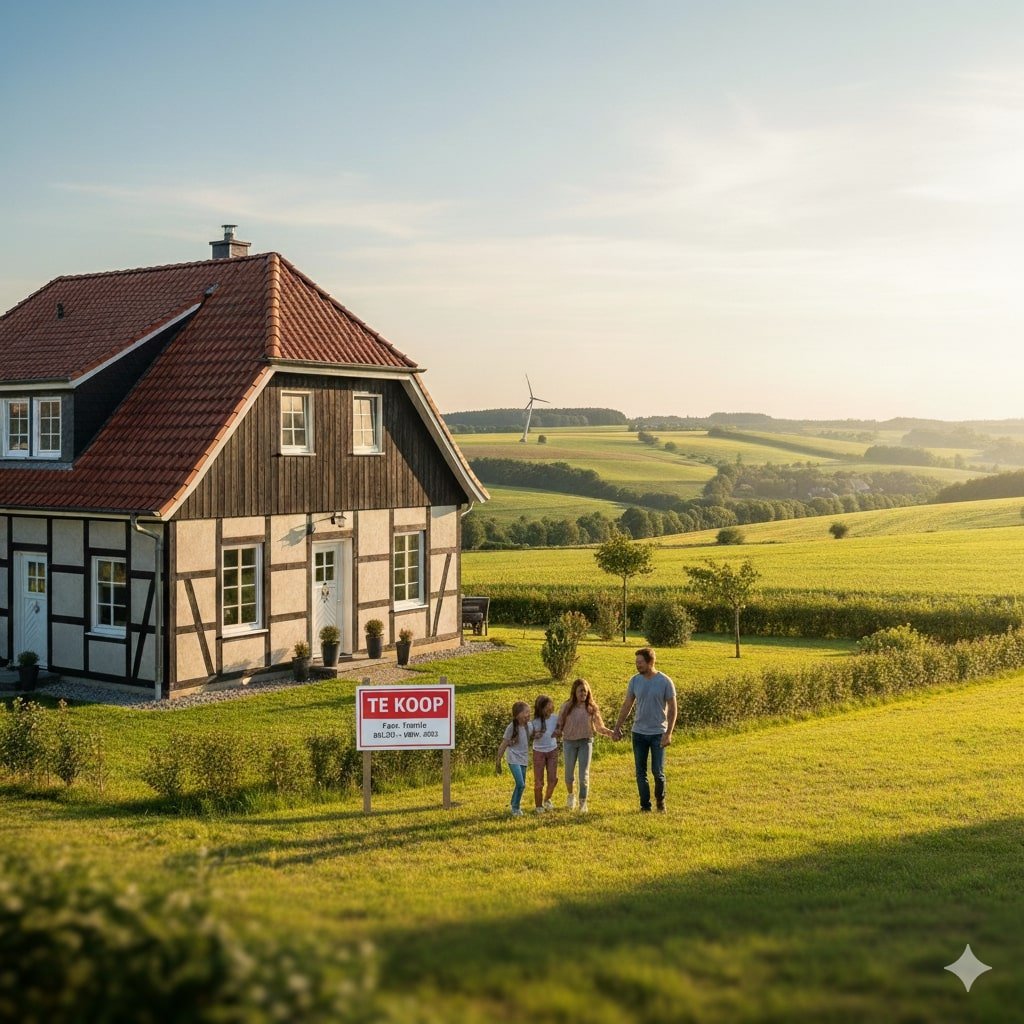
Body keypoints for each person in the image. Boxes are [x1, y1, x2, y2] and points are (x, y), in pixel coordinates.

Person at [612, 647, 677, 813]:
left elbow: (673, 708)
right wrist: (617, 727)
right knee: (640, 772)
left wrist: (668, 733)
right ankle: (645, 806)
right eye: (636, 663)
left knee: (657, 771)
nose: (637, 665)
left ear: (650, 662)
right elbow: (627, 704)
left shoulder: (665, 681)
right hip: (639, 733)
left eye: (640, 662)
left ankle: (660, 802)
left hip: (658, 733)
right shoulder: (634, 681)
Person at [556, 678, 613, 813]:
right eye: (581, 691)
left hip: (585, 742)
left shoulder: (592, 708)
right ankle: (571, 796)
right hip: (569, 742)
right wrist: (556, 732)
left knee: (584, 775)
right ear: (574, 692)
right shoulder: (566, 707)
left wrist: (610, 733)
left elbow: (599, 727)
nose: (583, 694)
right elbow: (559, 724)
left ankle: (583, 803)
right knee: (569, 775)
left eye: (586, 692)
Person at [495, 700, 532, 816]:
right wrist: (498, 761)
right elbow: (504, 744)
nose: (529, 714)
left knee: (520, 784)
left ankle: (513, 802)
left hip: (524, 758)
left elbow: (536, 736)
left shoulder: (529, 726)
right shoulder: (511, 727)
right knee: (521, 784)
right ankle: (515, 808)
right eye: (526, 712)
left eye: (529, 712)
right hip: (513, 758)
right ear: (518, 715)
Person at [530, 694, 559, 813]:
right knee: (539, 781)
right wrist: (534, 735)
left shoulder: (555, 718)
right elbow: (529, 735)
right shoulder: (534, 722)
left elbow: (560, 729)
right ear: (540, 709)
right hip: (539, 752)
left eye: (550, 705)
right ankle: (538, 805)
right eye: (546, 707)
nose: (549, 708)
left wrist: (558, 732)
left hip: (552, 750)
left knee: (553, 779)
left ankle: (547, 799)